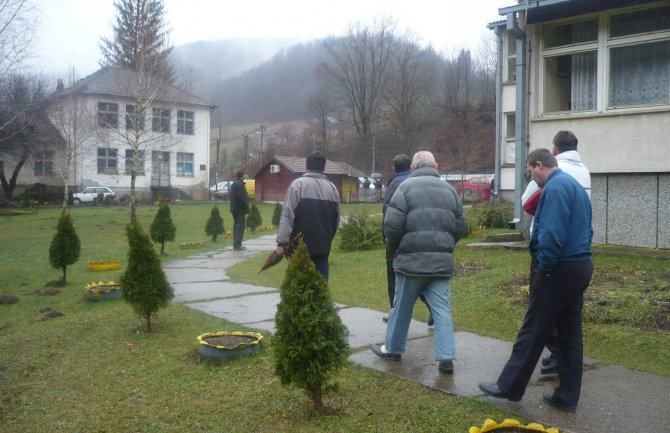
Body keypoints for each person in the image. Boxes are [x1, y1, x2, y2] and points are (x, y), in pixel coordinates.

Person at [479, 148, 593, 413]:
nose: (531, 176)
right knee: (569, 335)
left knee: (533, 328)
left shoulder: (553, 189)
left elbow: (552, 235)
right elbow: (588, 229)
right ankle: (566, 396)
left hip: (558, 270)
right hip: (580, 266)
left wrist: (545, 266)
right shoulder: (575, 186)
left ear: (539, 165)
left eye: (530, 171)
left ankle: (509, 386)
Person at [371, 151, 465, 374]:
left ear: (412, 168)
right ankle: (446, 357)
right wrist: (447, 245)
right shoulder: (450, 191)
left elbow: (392, 227)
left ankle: (393, 349)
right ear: (437, 166)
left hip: (411, 262)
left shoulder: (404, 188)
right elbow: (460, 225)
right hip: (441, 262)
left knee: (402, 306)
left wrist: (394, 252)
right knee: (442, 310)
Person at [521, 130, 591, 374]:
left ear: (553, 151)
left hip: (553, 256)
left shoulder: (553, 175)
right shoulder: (584, 172)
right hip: (578, 253)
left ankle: (551, 356)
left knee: (539, 311)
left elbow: (527, 202)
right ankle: (566, 366)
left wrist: (545, 265)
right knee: (569, 316)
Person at [382, 154, 433, 325]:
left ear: (394, 168)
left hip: (400, 241)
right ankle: (433, 308)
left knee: (395, 278)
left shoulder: (395, 185)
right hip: (421, 237)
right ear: (410, 166)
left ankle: (395, 313)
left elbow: (389, 216)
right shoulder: (419, 182)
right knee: (415, 277)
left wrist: (388, 242)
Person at [275, 150, 340, 280]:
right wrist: (327, 239)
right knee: (320, 291)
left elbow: (287, 216)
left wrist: (282, 242)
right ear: (324, 167)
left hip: (299, 248)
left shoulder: (297, 185)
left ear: (306, 165)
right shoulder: (332, 189)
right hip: (322, 248)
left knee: (298, 289)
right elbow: (336, 220)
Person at [229, 170, 250, 250]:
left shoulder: (234, 184)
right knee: (240, 227)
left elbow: (230, 195)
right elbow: (243, 198)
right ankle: (237, 245)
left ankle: (237, 244)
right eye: (244, 175)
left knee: (236, 226)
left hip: (234, 209)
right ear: (242, 176)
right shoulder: (240, 185)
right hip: (240, 210)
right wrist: (247, 207)